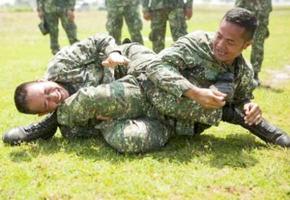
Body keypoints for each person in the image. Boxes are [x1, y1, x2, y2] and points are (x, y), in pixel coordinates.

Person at [144, 7, 290, 147]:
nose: (220, 44)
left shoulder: (244, 71)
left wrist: (248, 107)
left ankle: (275, 135)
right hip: (150, 99)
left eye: (230, 42)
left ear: (246, 45)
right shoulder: (196, 43)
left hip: (183, 126)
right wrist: (194, 92)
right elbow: (155, 66)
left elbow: (241, 99)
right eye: (219, 35)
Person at [235, 0, 272, 85]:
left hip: (260, 26)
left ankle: (255, 75)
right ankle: (235, 71)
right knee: (237, 45)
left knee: (258, 49)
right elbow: (237, 8)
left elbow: (267, 11)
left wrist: (265, 27)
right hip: (244, 23)